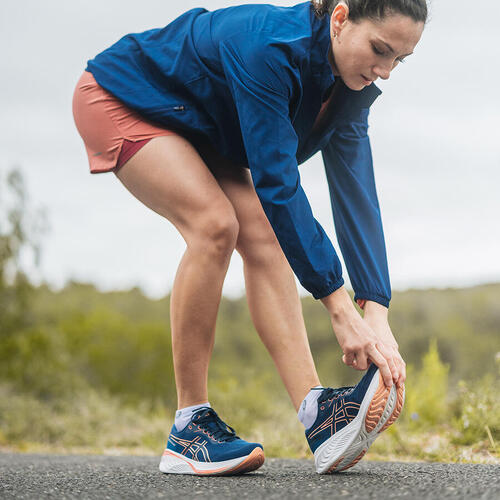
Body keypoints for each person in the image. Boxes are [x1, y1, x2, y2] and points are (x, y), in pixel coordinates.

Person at [72, 0, 426, 475]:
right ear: (340, 19)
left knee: (264, 234)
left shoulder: (350, 86)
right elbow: (277, 185)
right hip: (124, 97)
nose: (384, 72)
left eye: (399, 60)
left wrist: (376, 309)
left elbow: (357, 194)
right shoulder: (269, 47)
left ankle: (318, 414)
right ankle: (188, 427)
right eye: (380, 50)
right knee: (215, 225)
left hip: (198, 122)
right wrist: (339, 309)